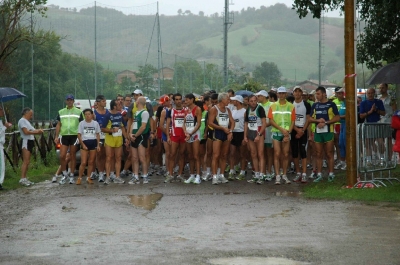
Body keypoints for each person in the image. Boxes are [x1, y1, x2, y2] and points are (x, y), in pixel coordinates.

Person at [309, 86, 340, 182]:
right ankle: (319, 174)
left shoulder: (331, 104)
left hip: (328, 131)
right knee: (318, 153)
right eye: (316, 94)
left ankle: (331, 173)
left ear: (323, 94)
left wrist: (326, 122)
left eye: (318, 94)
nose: (316, 96)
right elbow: (309, 119)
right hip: (318, 132)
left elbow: (337, 118)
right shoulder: (315, 105)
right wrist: (318, 120)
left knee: (329, 153)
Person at [268, 87, 296, 185]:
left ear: (286, 94)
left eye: (283, 93)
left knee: (286, 154)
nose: (281, 95)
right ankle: (277, 175)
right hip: (277, 132)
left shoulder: (291, 106)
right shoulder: (273, 106)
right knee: (277, 154)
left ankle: (284, 174)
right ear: (277, 94)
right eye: (280, 93)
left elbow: (293, 120)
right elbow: (271, 120)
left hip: (287, 132)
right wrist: (282, 130)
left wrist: (287, 132)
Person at [207, 92, 235, 185]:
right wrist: (222, 128)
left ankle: (221, 175)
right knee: (216, 155)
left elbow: (232, 121)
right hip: (218, 133)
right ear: (222, 99)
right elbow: (210, 123)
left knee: (224, 155)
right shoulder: (214, 109)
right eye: (227, 99)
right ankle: (214, 176)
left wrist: (230, 131)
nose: (229, 101)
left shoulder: (228, 110)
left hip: (226, 133)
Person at [55, 94, 83, 185]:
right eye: (68, 100)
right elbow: (58, 124)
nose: (69, 101)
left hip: (74, 135)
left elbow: (82, 124)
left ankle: (71, 175)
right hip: (64, 135)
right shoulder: (61, 112)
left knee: (72, 155)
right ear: (66, 101)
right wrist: (56, 136)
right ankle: (64, 174)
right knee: (62, 155)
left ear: (73, 101)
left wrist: (81, 136)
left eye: (71, 100)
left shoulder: (78, 112)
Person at [102, 99, 129, 184]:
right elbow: (102, 128)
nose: (120, 106)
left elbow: (124, 127)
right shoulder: (107, 115)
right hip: (109, 139)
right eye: (119, 105)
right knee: (109, 158)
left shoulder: (120, 115)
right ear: (114, 106)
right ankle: (108, 177)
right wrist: (112, 130)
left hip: (119, 139)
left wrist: (126, 138)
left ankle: (117, 176)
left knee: (118, 158)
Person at [359, 88, 386, 166]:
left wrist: (376, 110)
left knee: (380, 142)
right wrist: (370, 111)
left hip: (377, 123)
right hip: (368, 124)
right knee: (368, 143)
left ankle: (382, 158)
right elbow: (361, 115)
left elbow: (383, 113)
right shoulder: (363, 103)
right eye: (369, 93)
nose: (370, 95)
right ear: (367, 94)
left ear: (374, 93)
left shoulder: (379, 102)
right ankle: (369, 160)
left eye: (371, 93)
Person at [17, 108, 43, 187]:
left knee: (28, 161)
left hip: (30, 141)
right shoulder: (22, 121)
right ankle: (22, 178)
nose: (31, 116)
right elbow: (26, 132)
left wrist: (38, 131)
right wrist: (36, 132)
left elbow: (32, 130)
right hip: (26, 141)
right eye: (30, 114)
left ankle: (25, 177)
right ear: (26, 113)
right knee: (25, 161)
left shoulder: (27, 121)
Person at [245, 95, 267, 184]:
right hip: (251, 132)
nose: (253, 102)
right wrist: (245, 136)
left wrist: (259, 134)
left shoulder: (260, 108)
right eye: (251, 101)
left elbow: (264, 123)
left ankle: (262, 174)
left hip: (259, 132)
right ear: (248, 102)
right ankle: (256, 174)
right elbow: (246, 123)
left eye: (254, 100)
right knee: (253, 154)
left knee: (260, 153)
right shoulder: (248, 110)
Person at [164, 93, 187, 183]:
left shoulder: (186, 110)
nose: (178, 101)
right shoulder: (171, 111)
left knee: (182, 155)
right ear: (173, 100)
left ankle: (180, 174)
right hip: (174, 136)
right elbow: (168, 124)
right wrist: (168, 136)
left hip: (183, 136)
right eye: (176, 99)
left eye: (179, 99)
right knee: (172, 155)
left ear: (182, 100)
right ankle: (170, 174)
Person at [290, 86, 311, 183]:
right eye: (296, 92)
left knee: (303, 151)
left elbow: (308, 119)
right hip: (294, 129)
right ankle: (298, 172)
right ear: (293, 93)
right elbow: (290, 119)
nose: (297, 93)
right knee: (294, 152)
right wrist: (296, 130)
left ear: (302, 93)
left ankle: (304, 173)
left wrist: (302, 130)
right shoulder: (290, 105)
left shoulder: (306, 104)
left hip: (303, 129)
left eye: (299, 92)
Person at [129, 96, 151, 184]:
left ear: (138, 102)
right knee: (134, 158)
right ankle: (135, 176)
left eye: (136, 101)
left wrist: (136, 135)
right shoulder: (136, 113)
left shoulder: (144, 113)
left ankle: (145, 175)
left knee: (142, 157)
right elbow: (132, 124)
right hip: (134, 136)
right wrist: (130, 134)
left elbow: (143, 126)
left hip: (141, 137)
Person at [77, 108, 101, 185]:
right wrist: (82, 145)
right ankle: (79, 178)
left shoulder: (95, 123)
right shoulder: (81, 123)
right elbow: (79, 135)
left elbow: (97, 134)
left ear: (92, 115)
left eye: (89, 114)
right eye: (86, 114)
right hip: (85, 142)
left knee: (91, 162)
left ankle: (88, 177)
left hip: (93, 142)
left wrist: (98, 145)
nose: (87, 116)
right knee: (83, 162)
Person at [183, 94, 203, 184]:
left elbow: (198, 124)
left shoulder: (197, 109)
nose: (185, 101)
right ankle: (191, 175)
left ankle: (198, 176)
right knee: (190, 155)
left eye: (187, 100)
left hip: (195, 134)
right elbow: (184, 123)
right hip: (188, 134)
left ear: (192, 100)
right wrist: (185, 132)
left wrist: (191, 133)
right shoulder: (186, 110)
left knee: (196, 155)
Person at [227, 95, 247, 180]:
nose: (232, 102)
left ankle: (242, 171)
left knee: (242, 154)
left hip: (241, 133)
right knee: (232, 153)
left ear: (238, 102)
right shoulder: (233, 111)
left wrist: (245, 136)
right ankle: (232, 171)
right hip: (234, 133)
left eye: (234, 100)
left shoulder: (245, 111)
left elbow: (246, 124)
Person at [93, 95, 109, 182]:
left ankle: (109, 173)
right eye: (103, 101)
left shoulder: (108, 112)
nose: (105, 102)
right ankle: (100, 173)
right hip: (99, 137)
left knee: (108, 155)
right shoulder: (94, 114)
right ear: (98, 103)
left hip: (108, 136)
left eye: (105, 101)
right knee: (99, 155)